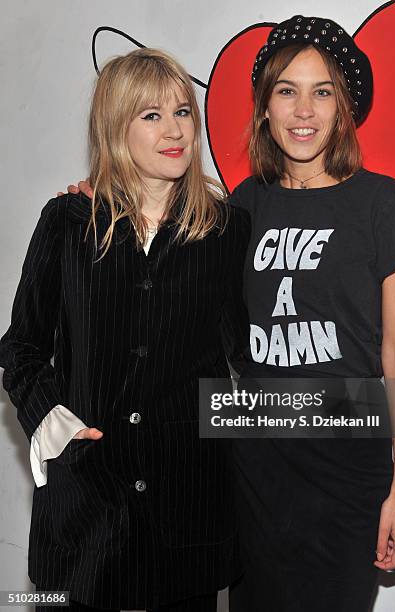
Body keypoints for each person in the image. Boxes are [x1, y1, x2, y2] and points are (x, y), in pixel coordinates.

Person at [0, 48, 250, 611]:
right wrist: (49, 416)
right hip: (89, 501)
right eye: (151, 115)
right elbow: (22, 346)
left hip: (187, 499)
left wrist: (363, 405)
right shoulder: (66, 222)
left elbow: (247, 356)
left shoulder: (227, 229)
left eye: (183, 112)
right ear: (117, 126)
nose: (174, 131)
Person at [224, 15, 395, 612]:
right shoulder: (245, 205)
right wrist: (100, 195)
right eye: (286, 91)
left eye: (322, 92)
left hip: (346, 469)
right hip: (255, 465)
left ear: (344, 109)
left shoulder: (386, 205)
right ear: (265, 106)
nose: (303, 111)